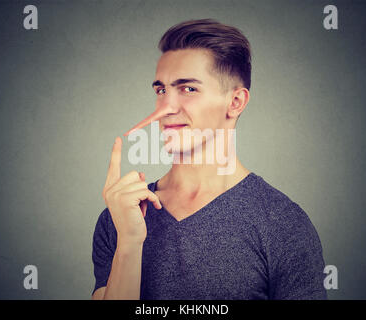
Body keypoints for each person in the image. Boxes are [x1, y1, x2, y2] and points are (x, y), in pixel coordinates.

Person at [91, 19, 327, 300]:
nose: (166, 108)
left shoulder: (283, 224)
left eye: (188, 89)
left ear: (236, 102)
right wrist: (129, 243)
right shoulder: (120, 217)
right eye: (161, 90)